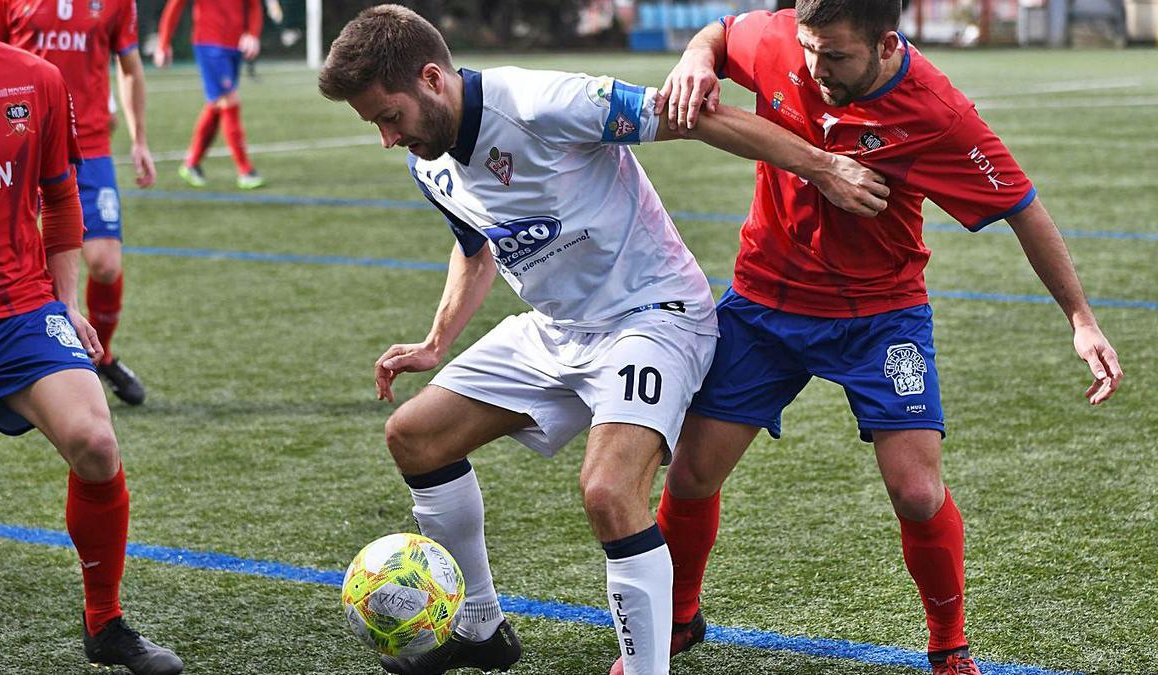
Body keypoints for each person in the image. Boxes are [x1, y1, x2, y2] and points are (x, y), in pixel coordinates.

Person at [317, 5, 889, 675]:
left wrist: (821, 166)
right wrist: (436, 341)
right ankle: (478, 626)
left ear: (431, 78)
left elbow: (693, 116)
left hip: (653, 316)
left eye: (390, 117)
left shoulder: (540, 102)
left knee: (609, 491)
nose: (388, 138)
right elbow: (476, 249)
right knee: (413, 435)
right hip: (556, 331)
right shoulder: (430, 160)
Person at [615, 3, 1125, 675]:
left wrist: (1081, 318)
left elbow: (1022, 207)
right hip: (768, 300)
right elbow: (724, 31)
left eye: (836, 59)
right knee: (691, 472)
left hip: (882, 315)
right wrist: (695, 59)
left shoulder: (938, 112)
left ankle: (949, 646)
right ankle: (679, 620)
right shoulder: (783, 39)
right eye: (808, 51)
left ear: (887, 44)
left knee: (916, 491)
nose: (814, 69)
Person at [0, 2, 183, 674]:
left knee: (95, 441)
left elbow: (60, 197)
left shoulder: (35, 79)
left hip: (17, 308)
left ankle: (104, 622)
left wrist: (64, 302)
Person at [0, 0, 155, 414]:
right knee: (11, 261)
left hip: (90, 147)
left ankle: (101, 356)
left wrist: (139, 139)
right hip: (21, 142)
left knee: (107, 264)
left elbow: (129, 67)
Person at [155, 0, 264, 189]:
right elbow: (174, 5)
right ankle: (245, 170)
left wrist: (252, 34)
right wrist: (163, 43)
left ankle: (191, 164)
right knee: (229, 101)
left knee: (216, 105)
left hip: (235, 45)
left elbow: (254, 4)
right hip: (209, 43)